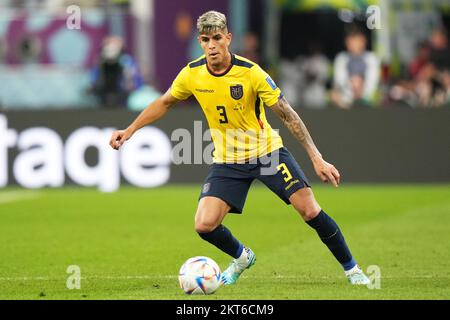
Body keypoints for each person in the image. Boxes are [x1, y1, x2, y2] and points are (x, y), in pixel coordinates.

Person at [109, 11, 370, 286]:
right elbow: (163, 103)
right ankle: (243, 256)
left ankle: (353, 270)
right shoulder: (192, 74)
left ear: (228, 38)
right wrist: (129, 131)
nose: (212, 45)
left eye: (217, 38)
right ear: (200, 41)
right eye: (206, 39)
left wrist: (317, 158)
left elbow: (288, 115)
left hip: (266, 153)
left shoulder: (251, 73)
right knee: (204, 225)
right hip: (227, 161)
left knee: (309, 211)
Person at [331, 26, 379, 109]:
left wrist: (360, 88)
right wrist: (351, 85)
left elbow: (372, 83)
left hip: (367, 103)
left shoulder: (372, 58)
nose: (352, 45)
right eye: (350, 42)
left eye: (355, 41)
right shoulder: (341, 58)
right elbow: (339, 81)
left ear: (363, 41)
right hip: (346, 103)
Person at [91, 36, 144, 108]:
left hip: (124, 97)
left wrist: (128, 79)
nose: (110, 53)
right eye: (107, 49)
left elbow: (134, 83)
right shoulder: (100, 62)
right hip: (103, 96)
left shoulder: (127, 61)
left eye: (114, 49)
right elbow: (94, 82)